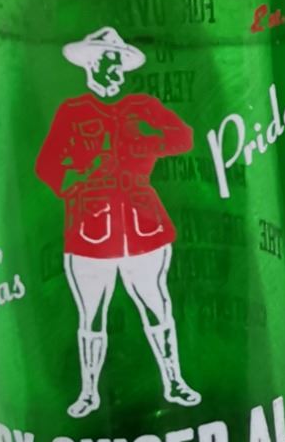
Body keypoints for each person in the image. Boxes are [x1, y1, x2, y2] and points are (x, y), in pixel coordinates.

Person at [35, 26, 199, 417]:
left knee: (157, 305)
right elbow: (48, 166)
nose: (116, 69)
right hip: (90, 230)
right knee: (91, 315)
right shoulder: (73, 112)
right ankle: (89, 392)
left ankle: (174, 381)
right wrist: (82, 173)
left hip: (143, 226)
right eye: (110, 61)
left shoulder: (141, 106)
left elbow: (184, 137)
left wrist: (144, 144)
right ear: (92, 64)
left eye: (120, 62)